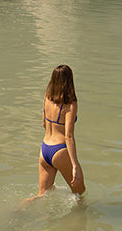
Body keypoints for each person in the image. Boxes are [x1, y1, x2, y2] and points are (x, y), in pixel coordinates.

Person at [35, 64, 85, 197]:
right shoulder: (70, 104)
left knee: (41, 195)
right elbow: (69, 136)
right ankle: (77, 217)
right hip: (60, 150)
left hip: (45, 149)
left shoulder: (47, 97)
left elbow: (44, 123)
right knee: (80, 193)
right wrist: (75, 165)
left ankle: (21, 207)